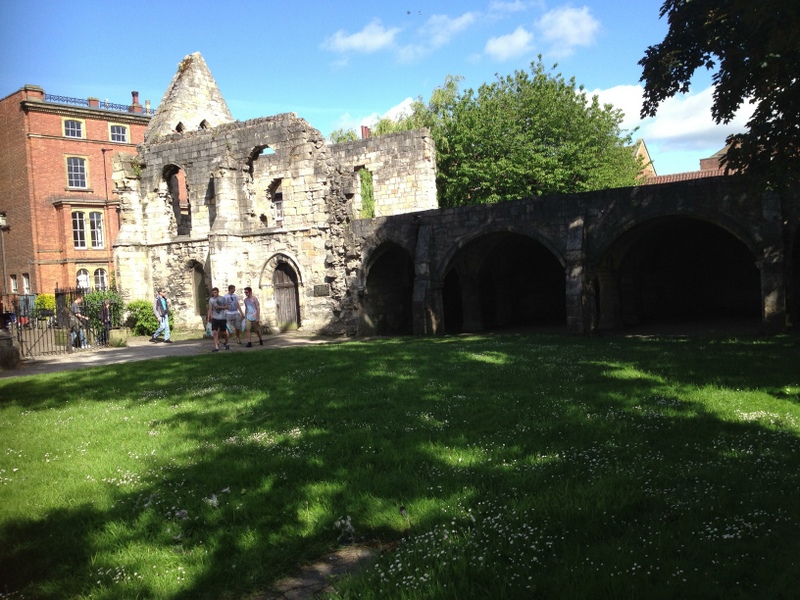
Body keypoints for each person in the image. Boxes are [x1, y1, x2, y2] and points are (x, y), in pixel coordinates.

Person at [207, 287, 229, 352]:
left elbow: (227, 306)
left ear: (218, 292)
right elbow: (210, 309)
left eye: (215, 292)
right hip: (215, 318)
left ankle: (226, 342)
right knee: (214, 332)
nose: (214, 294)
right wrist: (209, 317)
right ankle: (216, 347)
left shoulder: (222, 298)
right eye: (213, 293)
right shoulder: (211, 300)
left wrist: (220, 307)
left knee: (223, 332)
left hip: (222, 318)